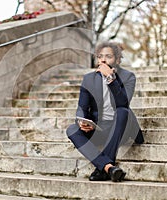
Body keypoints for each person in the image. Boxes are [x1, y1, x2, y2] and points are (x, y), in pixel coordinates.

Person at [66, 41, 144, 182]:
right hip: (100, 128)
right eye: (100, 56)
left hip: (122, 128)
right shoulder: (89, 79)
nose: (103, 60)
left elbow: (123, 103)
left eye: (108, 56)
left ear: (118, 60)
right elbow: (82, 108)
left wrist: (110, 79)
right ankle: (109, 168)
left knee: (122, 111)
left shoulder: (128, 77)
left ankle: (101, 169)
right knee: (72, 130)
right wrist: (82, 122)